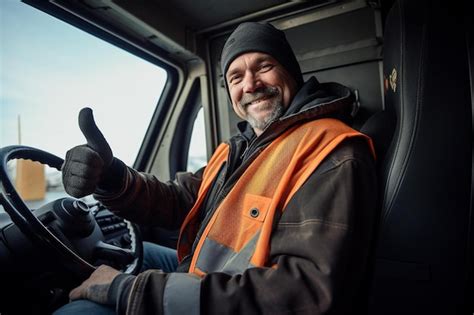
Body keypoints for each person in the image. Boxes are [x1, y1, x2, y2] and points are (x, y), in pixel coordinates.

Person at [55, 21, 377, 315]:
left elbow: (303, 293)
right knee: (130, 255)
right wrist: (113, 178)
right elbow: (182, 201)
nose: (250, 85)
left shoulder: (330, 152)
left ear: (291, 74)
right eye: (236, 77)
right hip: (213, 281)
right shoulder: (240, 148)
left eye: (264, 67)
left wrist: (130, 290)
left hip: (235, 300)